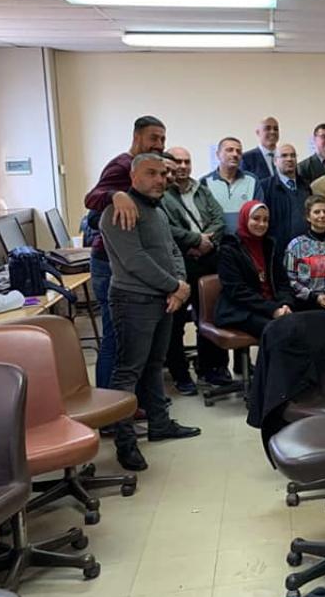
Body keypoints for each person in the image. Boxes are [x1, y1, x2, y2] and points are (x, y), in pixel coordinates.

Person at [100, 153, 201, 472]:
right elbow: (135, 260)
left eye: (162, 173)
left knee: (155, 365)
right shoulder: (119, 210)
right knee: (128, 371)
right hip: (133, 300)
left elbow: (172, 250)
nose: (160, 179)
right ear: (133, 177)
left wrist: (180, 285)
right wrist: (175, 286)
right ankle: (125, 442)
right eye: (151, 173)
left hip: (164, 299)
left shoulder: (157, 210)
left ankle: (159, 423)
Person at [85, 115, 166, 390]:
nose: (159, 144)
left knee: (132, 343)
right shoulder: (122, 165)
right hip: (110, 263)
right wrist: (115, 195)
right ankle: (109, 405)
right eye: (153, 138)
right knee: (116, 339)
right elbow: (91, 198)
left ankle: (132, 401)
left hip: (127, 261)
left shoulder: (147, 167)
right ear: (136, 137)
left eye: (163, 139)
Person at [160, 146, 230, 395]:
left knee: (211, 316)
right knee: (176, 322)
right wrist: (196, 240)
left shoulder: (201, 188)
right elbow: (166, 228)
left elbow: (219, 218)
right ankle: (180, 374)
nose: (182, 166)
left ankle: (212, 368)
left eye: (186, 161)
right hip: (180, 262)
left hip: (208, 260)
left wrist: (207, 242)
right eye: (177, 162)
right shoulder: (162, 193)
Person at [215, 201, 296, 339]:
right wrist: (272, 309)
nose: (262, 224)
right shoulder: (229, 249)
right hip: (241, 310)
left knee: (301, 327)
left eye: (265, 220)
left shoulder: (270, 246)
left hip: (273, 306)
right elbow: (237, 291)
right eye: (256, 218)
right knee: (279, 331)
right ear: (245, 219)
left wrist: (285, 304)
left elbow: (283, 283)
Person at [284, 195, 325, 311]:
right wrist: (316, 298)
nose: (322, 215)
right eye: (317, 212)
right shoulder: (295, 245)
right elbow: (290, 280)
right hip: (307, 305)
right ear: (308, 217)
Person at [259, 143, 311, 260]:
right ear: (275, 161)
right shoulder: (265, 187)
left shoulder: (306, 186)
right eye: (284, 156)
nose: (289, 159)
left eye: (293, 155)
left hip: (305, 251)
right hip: (277, 253)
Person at [201, 137, 261, 232]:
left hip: (244, 239)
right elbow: (202, 217)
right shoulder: (204, 182)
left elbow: (259, 213)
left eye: (238, 151)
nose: (235, 154)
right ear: (218, 154)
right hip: (217, 238)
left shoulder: (252, 180)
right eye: (229, 150)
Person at [240, 116, 279, 182]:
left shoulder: (286, 156)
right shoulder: (246, 158)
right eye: (268, 128)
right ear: (258, 132)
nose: (272, 132)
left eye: (275, 129)